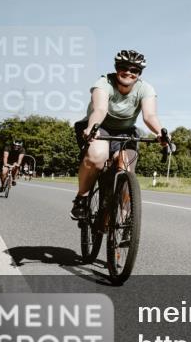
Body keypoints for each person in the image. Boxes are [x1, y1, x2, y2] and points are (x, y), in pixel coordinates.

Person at [70, 49, 169, 219]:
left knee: (126, 167)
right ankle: (82, 198)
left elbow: (149, 116)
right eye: (124, 67)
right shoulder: (104, 83)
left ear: (139, 73)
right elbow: (100, 110)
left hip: (125, 131)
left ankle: (125, 218)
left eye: (135, 70)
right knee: (97, 156)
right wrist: (91, 127)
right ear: (117, 68)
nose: (129, 73)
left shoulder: (145, 89)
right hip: (99, 126)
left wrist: (161, 132)